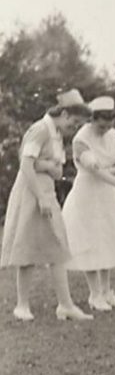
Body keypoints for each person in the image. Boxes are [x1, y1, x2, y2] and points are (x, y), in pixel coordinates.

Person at [0, 89, 94, 321]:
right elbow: (25, 165)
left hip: (47, 191)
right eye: (73, 122)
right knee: (27, 245)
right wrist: (41, 193)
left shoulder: (57, 134)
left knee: (58, 244)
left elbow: (58, 169)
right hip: (31, 192)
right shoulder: (40, 130)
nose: (73, 127)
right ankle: (22, 305)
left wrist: (49, 170)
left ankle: (65, 304)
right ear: (63, 113)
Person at [63, 96, 115, 311]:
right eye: (101, 124)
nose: (106, 128)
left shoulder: (114, 135)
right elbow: (92, 170)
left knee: (107, 239)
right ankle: (94, 294)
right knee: (91, 241)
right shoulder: (81, 139)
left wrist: (110, 176)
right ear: (92, 119)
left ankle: (106, 291)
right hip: (87, 195)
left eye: (110, 123)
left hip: (109, 191)